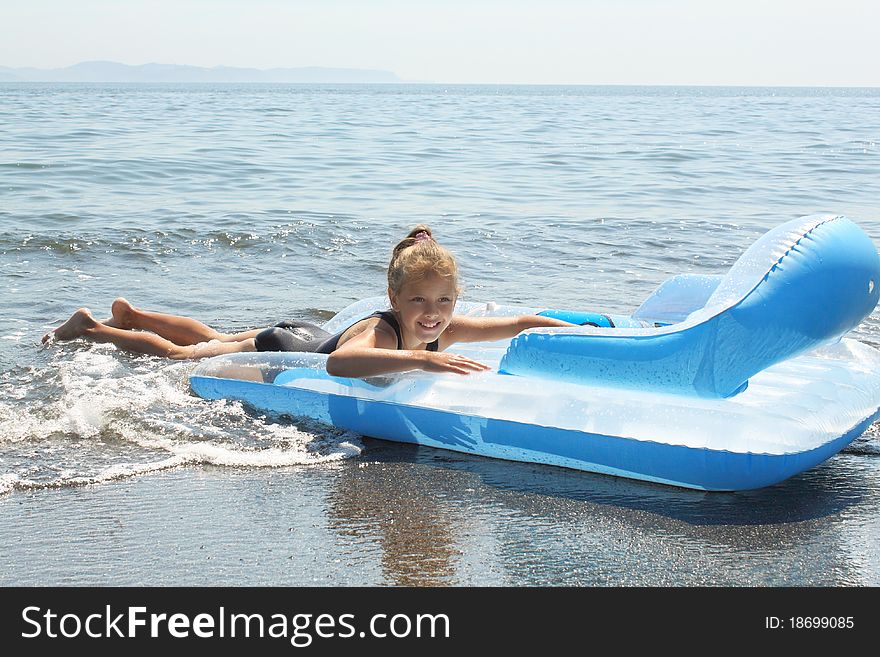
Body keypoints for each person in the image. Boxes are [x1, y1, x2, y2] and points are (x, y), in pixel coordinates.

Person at [42, 225, 576, 377]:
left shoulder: (447, 325)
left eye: (443, 300)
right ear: (394, 296)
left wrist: (578, 330)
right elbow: (343, 364)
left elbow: (520, 323)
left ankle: (130, 314)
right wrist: (421, 355)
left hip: (306, 332)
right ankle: (92, 328)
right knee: (189, 356)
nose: (431, 312)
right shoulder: (388, 332)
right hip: (290, 344)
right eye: (418, 300)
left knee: (214, 335)